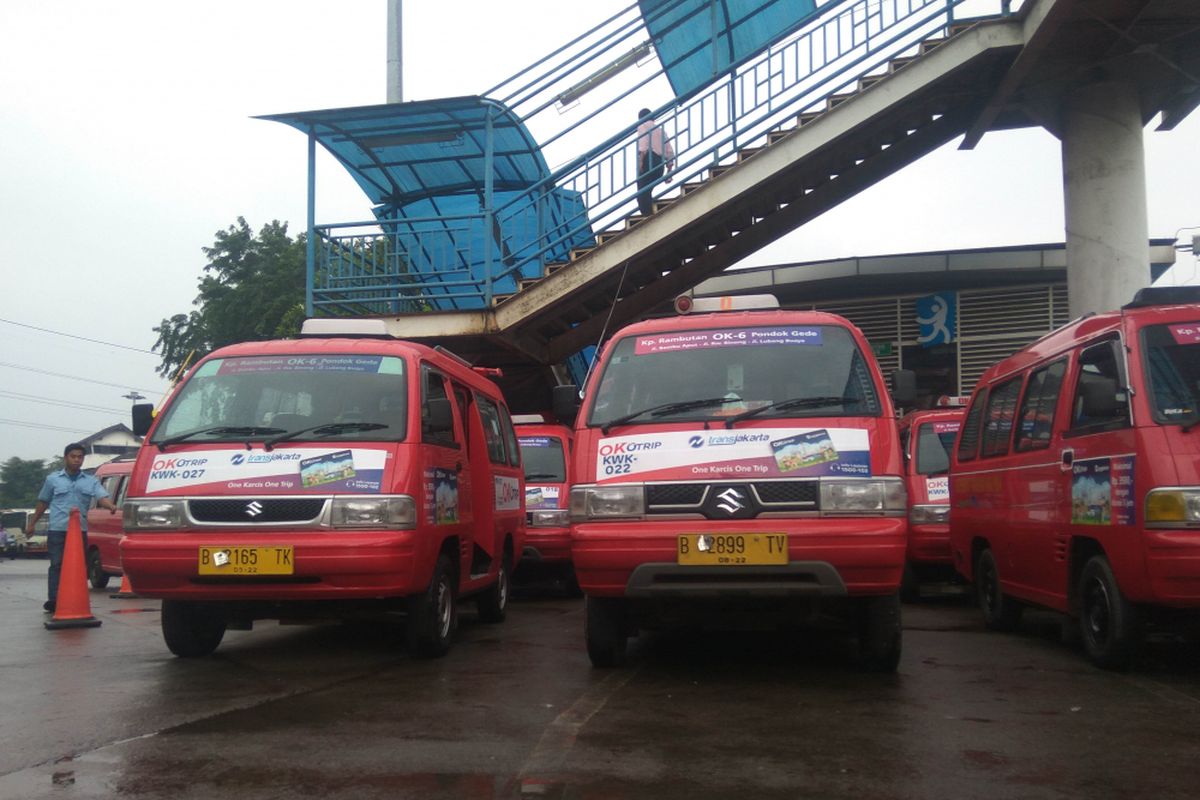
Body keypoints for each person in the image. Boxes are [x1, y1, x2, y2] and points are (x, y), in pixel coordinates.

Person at [26, 443, 118, 612]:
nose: (77, 460)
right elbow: (43, 502)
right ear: (66, 458)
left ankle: (75, 597)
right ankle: (54, 600)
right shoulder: (53, 479)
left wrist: (111, 506)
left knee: (79, 566)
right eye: (73, 456)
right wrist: (32, 524)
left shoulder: (90, 481)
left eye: (80, 457)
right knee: (57, 564)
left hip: (79, 532)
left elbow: (101, 497)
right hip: (57, 531)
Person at [635, 108, 675, 216]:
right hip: (660, 165)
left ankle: (648, 217)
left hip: (649, 161)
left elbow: (643, 146)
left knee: (642, 193)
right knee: (646, 191)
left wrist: (641, 163)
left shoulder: (642, 126)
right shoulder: (661, 131)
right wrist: (669, 171)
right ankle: (649, 213)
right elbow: (670, 152)